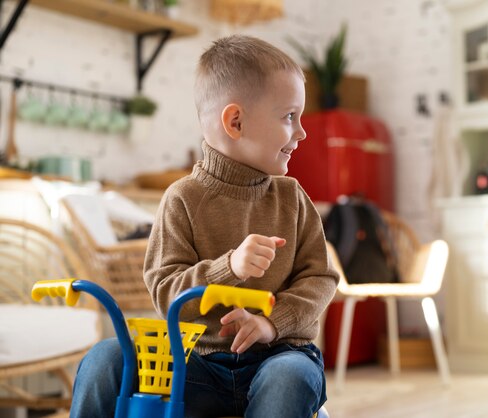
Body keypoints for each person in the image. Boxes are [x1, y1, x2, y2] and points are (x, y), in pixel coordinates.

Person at [70, 35, 339, 418]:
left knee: (291, 376)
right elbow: (166, 292)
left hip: (277, 355)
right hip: (193, 366)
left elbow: (321, 279)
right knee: (107, 357)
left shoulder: (292, 197)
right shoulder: (181, 199)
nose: (301, 132)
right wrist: (228, 268)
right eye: (289, 116)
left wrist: (269, 324)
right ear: (236, 121)